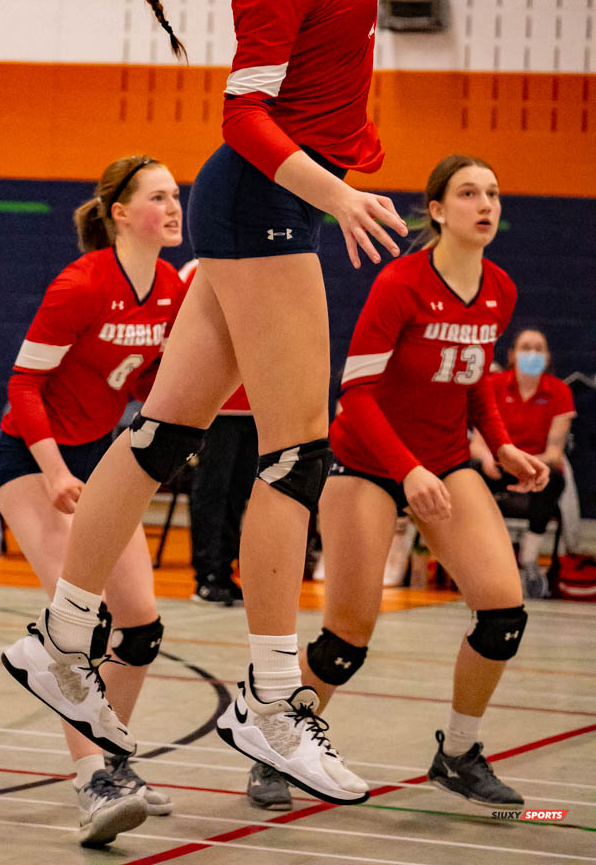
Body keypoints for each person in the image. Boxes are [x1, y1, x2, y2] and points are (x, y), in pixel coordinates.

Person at [2, 0, 409, 806]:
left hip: (267, 203)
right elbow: (241, 114)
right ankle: (271, 706)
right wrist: (335, 194)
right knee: (294, 458)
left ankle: (57, 641)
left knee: (159, 435)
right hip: (267, 201)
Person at [282, 155, 550, 811]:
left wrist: (504, 444)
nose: (484, 204)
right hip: (367, 464)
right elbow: (357, 393)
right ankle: (281, 739)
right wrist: (407, 470)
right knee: (347, 636)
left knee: (503, 614)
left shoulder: (499, 289)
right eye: (467, 193)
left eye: (492, 192)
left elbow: (474, 378)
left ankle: (458, 753)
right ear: (436, 209)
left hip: (445, 463)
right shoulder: (401, 283)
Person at [0, 154, 184, 847]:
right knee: (82, 627)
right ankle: (92, 784)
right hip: (32, 458)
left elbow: (156, 378)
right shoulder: (80, 284)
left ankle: (117, 760)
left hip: (99, 459)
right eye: (158, 196)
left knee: (141, 628)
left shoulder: (170, 287)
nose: (173, 206)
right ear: (120, 212)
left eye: (176, 195)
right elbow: (22, 385)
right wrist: (50, 472)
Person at [471, 328, 576, 598]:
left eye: (539, 348)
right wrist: (486, 459)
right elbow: (478, 442)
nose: (532, 353)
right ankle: (486, 557)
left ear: (548, 356)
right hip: (499, 466)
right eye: (526, 347)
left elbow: (554, 452)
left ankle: (528, 560)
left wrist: (525, 464)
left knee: (554, 478)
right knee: (470, 473)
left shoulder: (559, 391)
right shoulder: (493, 384)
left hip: (535, 467)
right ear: (512, 355)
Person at [178, 258, 256, 609]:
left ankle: (225, 572)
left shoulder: (275, 268)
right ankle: (207, 575)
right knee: (212, 489)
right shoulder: (198, 270)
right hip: (216, 407)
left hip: (257, 404)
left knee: (238, 492)